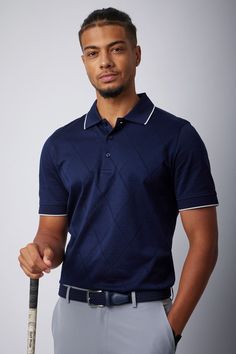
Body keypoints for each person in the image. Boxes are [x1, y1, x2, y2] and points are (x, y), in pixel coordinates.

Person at [18, 7, 219, 354]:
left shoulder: (178, 136)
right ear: (84, 62)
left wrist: (170, 329)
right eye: (93, 53)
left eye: (117, 48)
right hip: (73, 315)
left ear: (136, 54)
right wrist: (41, 252)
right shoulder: (60, 144)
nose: (105, 62)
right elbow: (52, 231)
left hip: (145, 316)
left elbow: (204, 241)